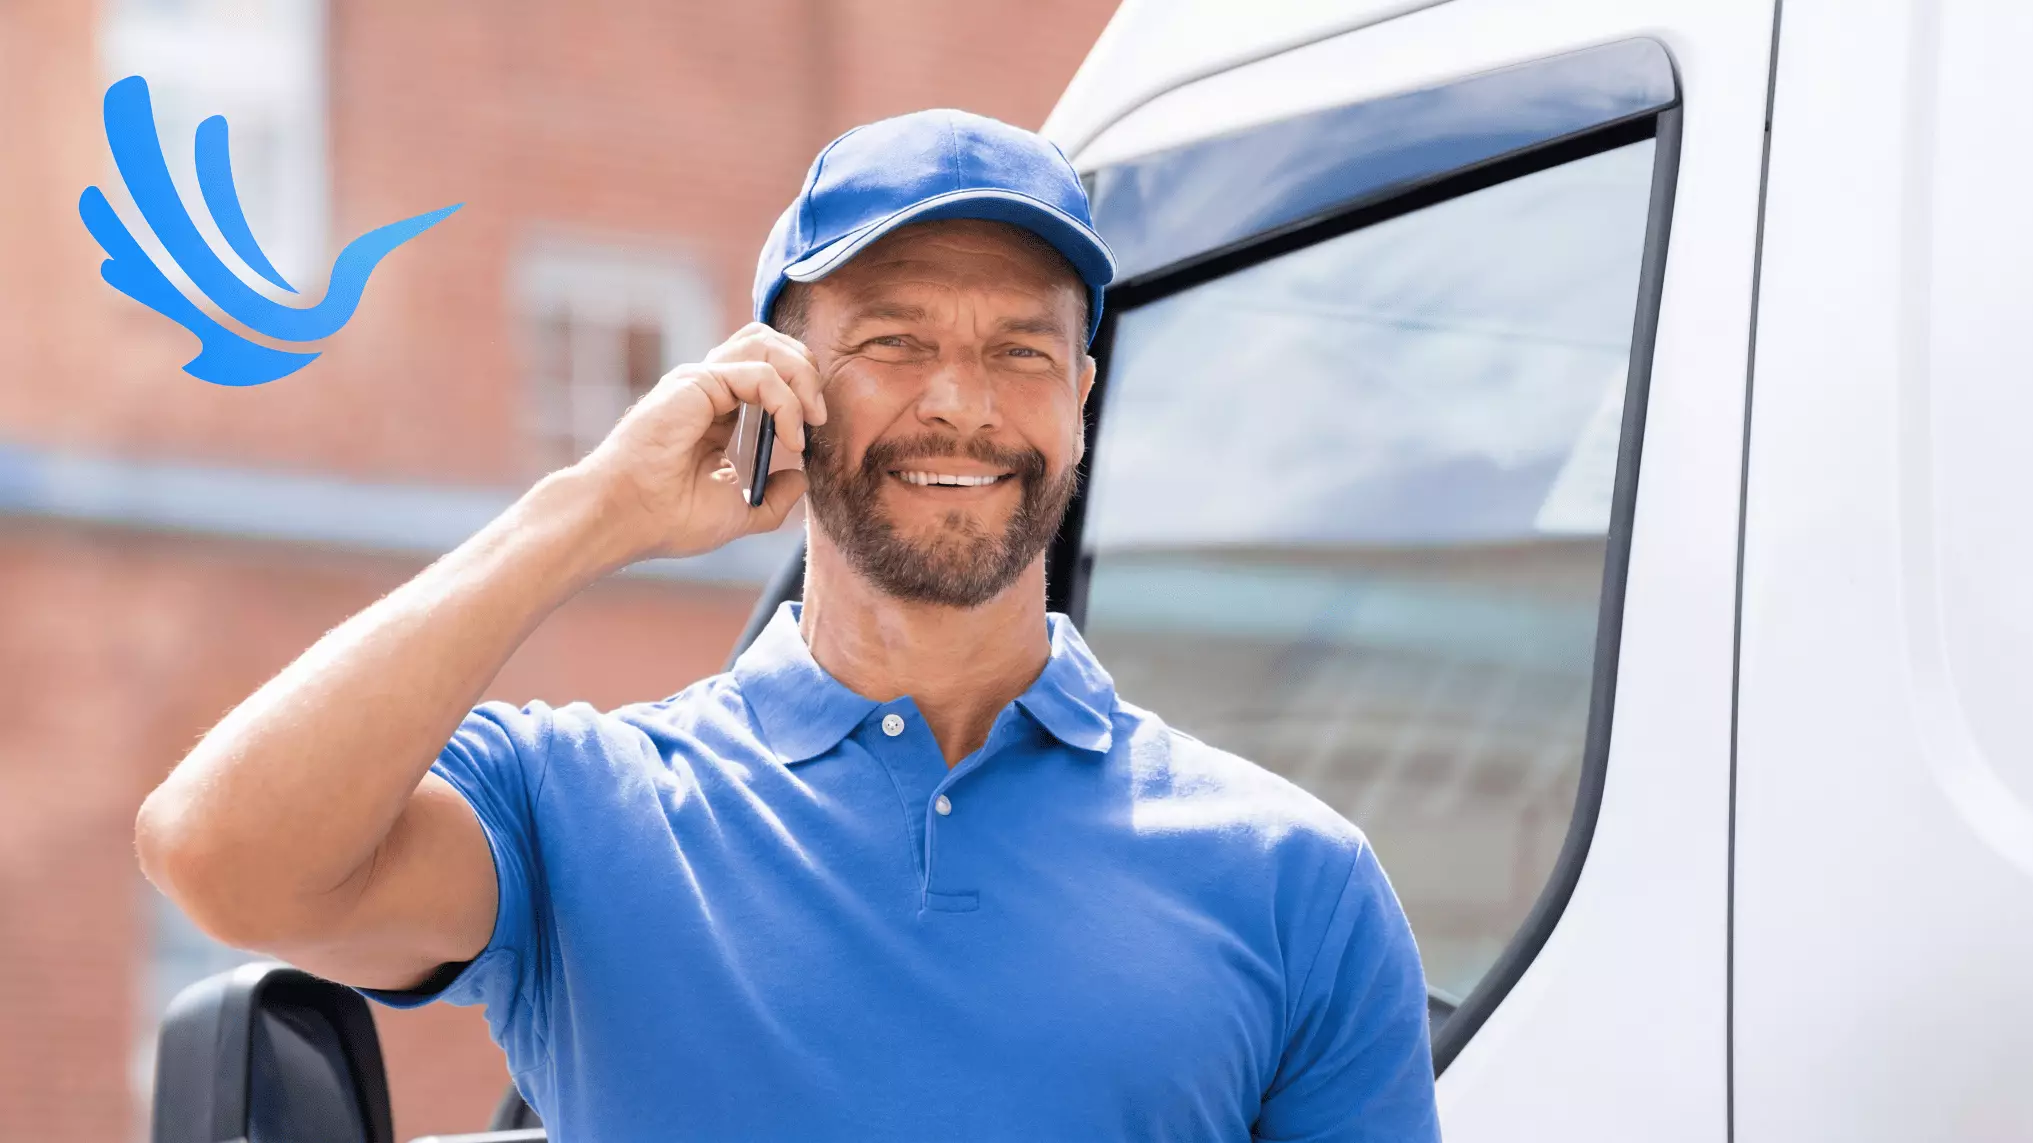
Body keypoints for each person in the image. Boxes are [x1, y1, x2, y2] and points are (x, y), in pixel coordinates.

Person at [135, 108, 1441, 1141]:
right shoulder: (579, 810)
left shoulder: (1294, 883)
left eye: (1020, 351)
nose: (960, 402)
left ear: (1083, 396)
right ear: (777, 384)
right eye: (892, 338)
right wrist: (595, 508)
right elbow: (220, 853)